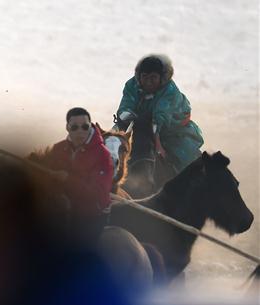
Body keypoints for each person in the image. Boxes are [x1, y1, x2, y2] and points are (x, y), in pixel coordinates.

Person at [114, 54, 204, 173]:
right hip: (140, 125)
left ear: (161, 77)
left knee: (187, 166)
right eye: (145, 77)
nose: (149, 82)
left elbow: (160, 116)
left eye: (153, 78)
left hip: (172, 132)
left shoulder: (170, 91)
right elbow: (124, 108)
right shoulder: (131, 85)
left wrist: (158, 145)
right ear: (139, 76)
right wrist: (127, 120)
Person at [46, 107, 114, 243]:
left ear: (90, 126)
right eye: (75, 127)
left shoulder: (103, 155)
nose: (80, 131)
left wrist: (67, 179)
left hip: (90, 215)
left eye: (85, 127)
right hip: (61, 210)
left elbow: (98, 192)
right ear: (67, 127)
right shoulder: (58, 149)